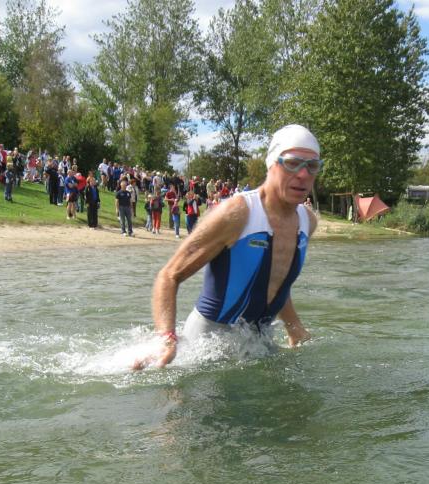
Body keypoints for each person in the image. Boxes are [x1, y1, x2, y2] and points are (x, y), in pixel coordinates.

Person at [133, 124, 322, 370]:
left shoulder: (307, 221)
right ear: (271, 164)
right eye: (292, 163)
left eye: (312, 166)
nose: (303, 174)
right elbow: (169, 275)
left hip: (260, 340)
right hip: (207, 344)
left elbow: (275, 283)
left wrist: (294, 328)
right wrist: (166, 338)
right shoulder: (237, 213)